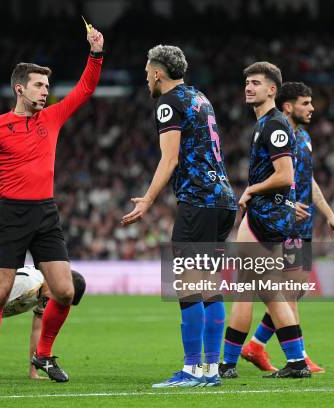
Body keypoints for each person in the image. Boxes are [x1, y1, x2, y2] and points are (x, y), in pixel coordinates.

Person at [0, 28, 104, 384]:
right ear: (20, 88)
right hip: (12, 214)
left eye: (46, 86)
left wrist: (96, 54)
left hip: (45, 213)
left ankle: (42, 355)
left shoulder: (52, 118)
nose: (45, 91)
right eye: (39, 85)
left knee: (64, 290)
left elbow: (86, 89)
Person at [121, 45, 237, 387]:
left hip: (198, 200)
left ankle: (190, 370)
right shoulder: (200, 97)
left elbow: (169, 159)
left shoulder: (167, 103)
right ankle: (211, 371)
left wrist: (147, 201)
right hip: (223, 199)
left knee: (187, 284)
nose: (145, 78)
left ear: (158, 72)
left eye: (146, 72)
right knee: (209, 285)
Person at [240, 82, 334, 373]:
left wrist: (329, 214)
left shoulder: (304, 137)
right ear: (288, 106)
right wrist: (286, 208)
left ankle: (257, 346)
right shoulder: (281, 136)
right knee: (287, 290)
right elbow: (277, 180)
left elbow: (308, 181)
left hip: (305, 224)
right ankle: (296, 354)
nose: (312, 108)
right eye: (305, 103)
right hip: (285, 225)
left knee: (294, 290)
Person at [221, 62, 311, 379]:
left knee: (268, 292)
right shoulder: (264, 124)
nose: (249, 86)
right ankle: (229, 364)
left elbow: (285, 176)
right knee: (249, 289)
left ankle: (297, 361)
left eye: (256, 82)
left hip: (264, 217)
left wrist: (251, 190)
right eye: (247, 81)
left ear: (272, 90)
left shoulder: (272, 126)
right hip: (269, 216)